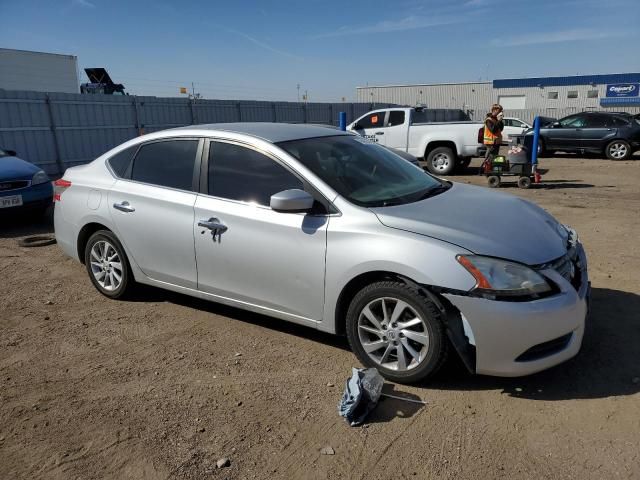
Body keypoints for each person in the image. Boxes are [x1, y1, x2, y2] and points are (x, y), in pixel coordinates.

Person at [480, 104, 504, 174]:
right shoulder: (489, 120)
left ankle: (490, 171)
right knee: (489, 158)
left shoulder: (496, 119)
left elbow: (500, 129)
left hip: (496, 142)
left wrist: (500, 121)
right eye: (499, 111)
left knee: (494, 158)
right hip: (490, 142)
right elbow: (493, 130)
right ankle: (486, 171)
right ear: (494, 110)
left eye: (501, 111)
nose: (500, 113)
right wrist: (498, 121)